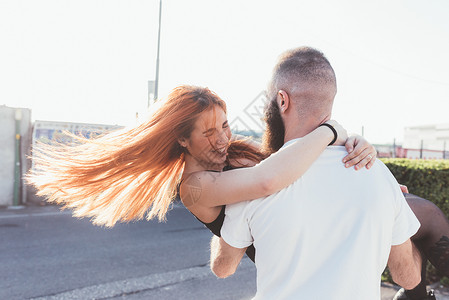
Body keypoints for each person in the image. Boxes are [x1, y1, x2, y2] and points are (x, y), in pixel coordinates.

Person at [210, 47, 422, 299]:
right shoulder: (378, 174)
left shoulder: (255, 182)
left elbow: (223, 267)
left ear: (282, 100)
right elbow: (408, 278)